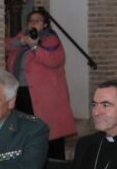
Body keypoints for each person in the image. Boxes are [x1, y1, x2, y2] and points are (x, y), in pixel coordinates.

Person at [6, 8, 75, 160]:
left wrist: (34, 47)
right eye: (31, 20)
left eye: (38, 20)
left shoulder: (51, 39)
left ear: (45, 25)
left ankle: (55, 166)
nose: (33, 23)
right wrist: (23, 41)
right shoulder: (22, 37)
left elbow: (55, 60)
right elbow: (6, 45)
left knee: (50, 133)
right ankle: (31, 162)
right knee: (27, 131)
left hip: (45, 95)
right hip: (21, 92)